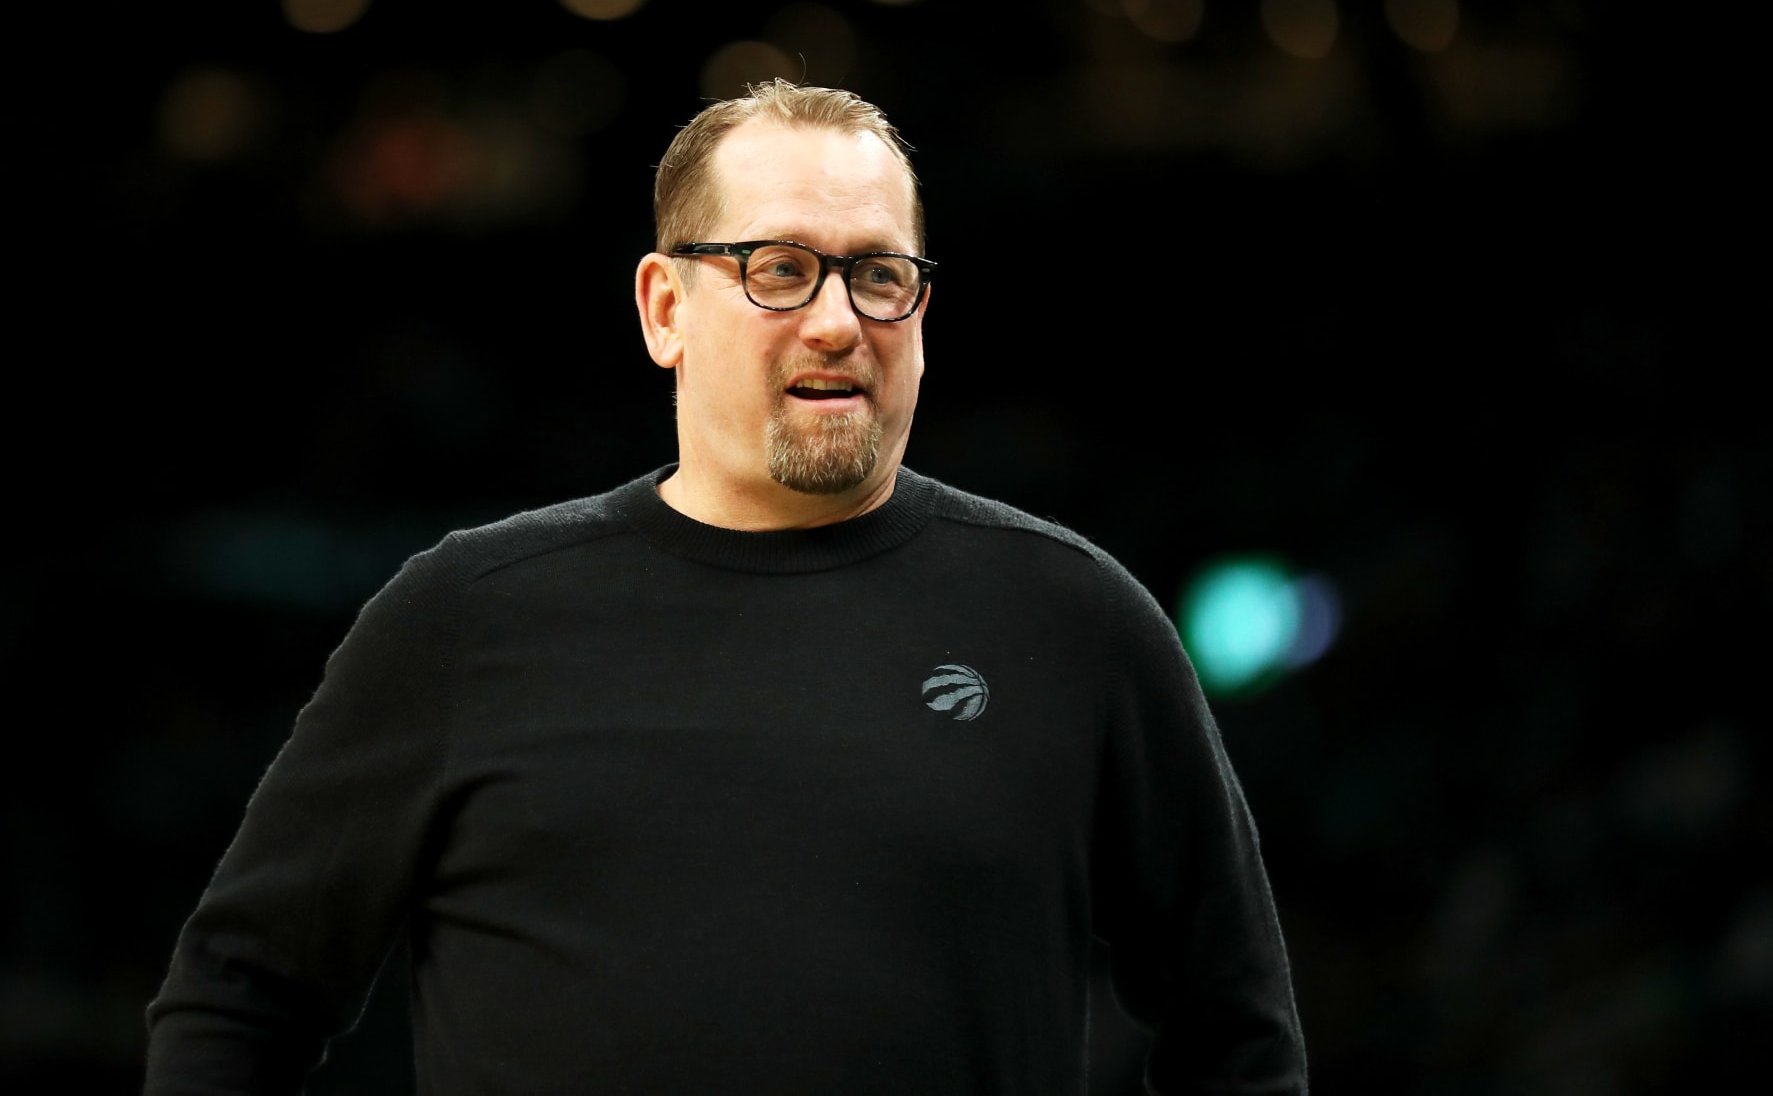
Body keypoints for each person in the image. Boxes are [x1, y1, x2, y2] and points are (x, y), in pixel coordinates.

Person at [145, 81, 1307, 1094]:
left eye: (880, 276)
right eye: (780, 270)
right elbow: (238, 999)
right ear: (665, 308)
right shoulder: (465, 615)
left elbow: (1238, 1037)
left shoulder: (1076, 621)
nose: (838, 321)